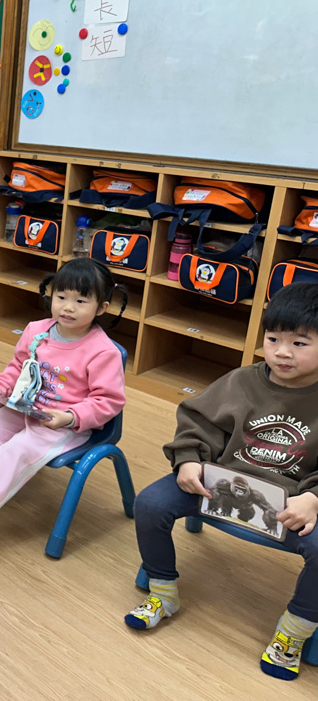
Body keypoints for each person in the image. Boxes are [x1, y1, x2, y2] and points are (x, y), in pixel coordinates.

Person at [123, 282, 318, 682]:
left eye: (300, 343)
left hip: (292, 505)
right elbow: (198, 422)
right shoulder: (241, 380)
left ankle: (294, 631)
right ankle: (163, 592)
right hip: (219, 487)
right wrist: (188, 461)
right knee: (151, 504)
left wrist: (314, 498)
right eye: (273, 339)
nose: (282, 352)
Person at [0, 258, 127, 521]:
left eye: (81, 301)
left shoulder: (103, 351)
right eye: (61, 297)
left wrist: (70, 417)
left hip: (65, 425)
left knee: (19, 448)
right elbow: (18, 366)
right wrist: (1, 386)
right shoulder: (36, 330)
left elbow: (108, 400)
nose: (68, 307)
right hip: (26, 408)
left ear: (101, 308)